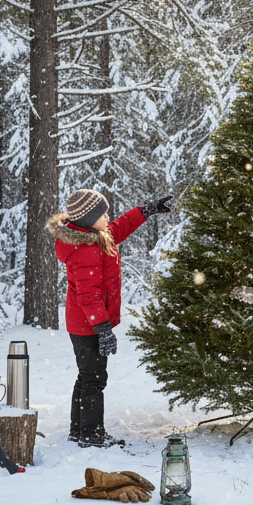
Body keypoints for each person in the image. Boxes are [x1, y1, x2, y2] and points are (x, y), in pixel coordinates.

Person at [47, 189, 173, 448]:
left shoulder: (94, 237)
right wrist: (103, 329)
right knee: (94, 379)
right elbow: (89, 296)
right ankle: (91, 435)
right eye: (102, 214)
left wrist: (146, 210)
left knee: (86, 376)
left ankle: (78, 431)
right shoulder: (85, 250)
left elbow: (120, 227)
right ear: (88, 219)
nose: (107, 217)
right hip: (88, 324)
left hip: (84, 322)